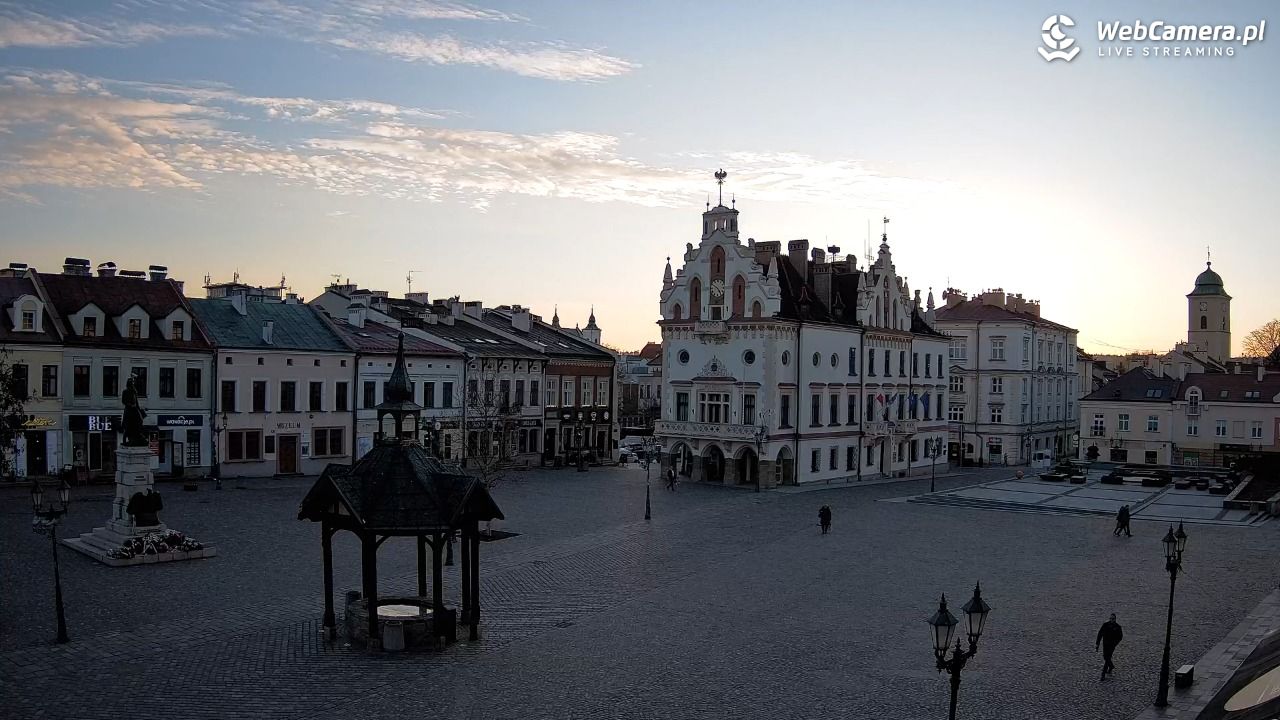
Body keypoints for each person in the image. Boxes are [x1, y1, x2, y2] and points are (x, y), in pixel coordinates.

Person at [1096, 613, 1124, 680]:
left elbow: (1120, 637)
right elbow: (1100, 634)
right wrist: (1097, 644)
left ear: (1115, 619)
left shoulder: (1118, 627)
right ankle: (1111, 666)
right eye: (1110, 618)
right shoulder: (1105, 625)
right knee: (1105, 657)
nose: (1111, 620)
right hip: (1105, 644)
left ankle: (1103, 674)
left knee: (1108, 658)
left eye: (1113, 619)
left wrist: (1115, 643)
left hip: (1112, 645)